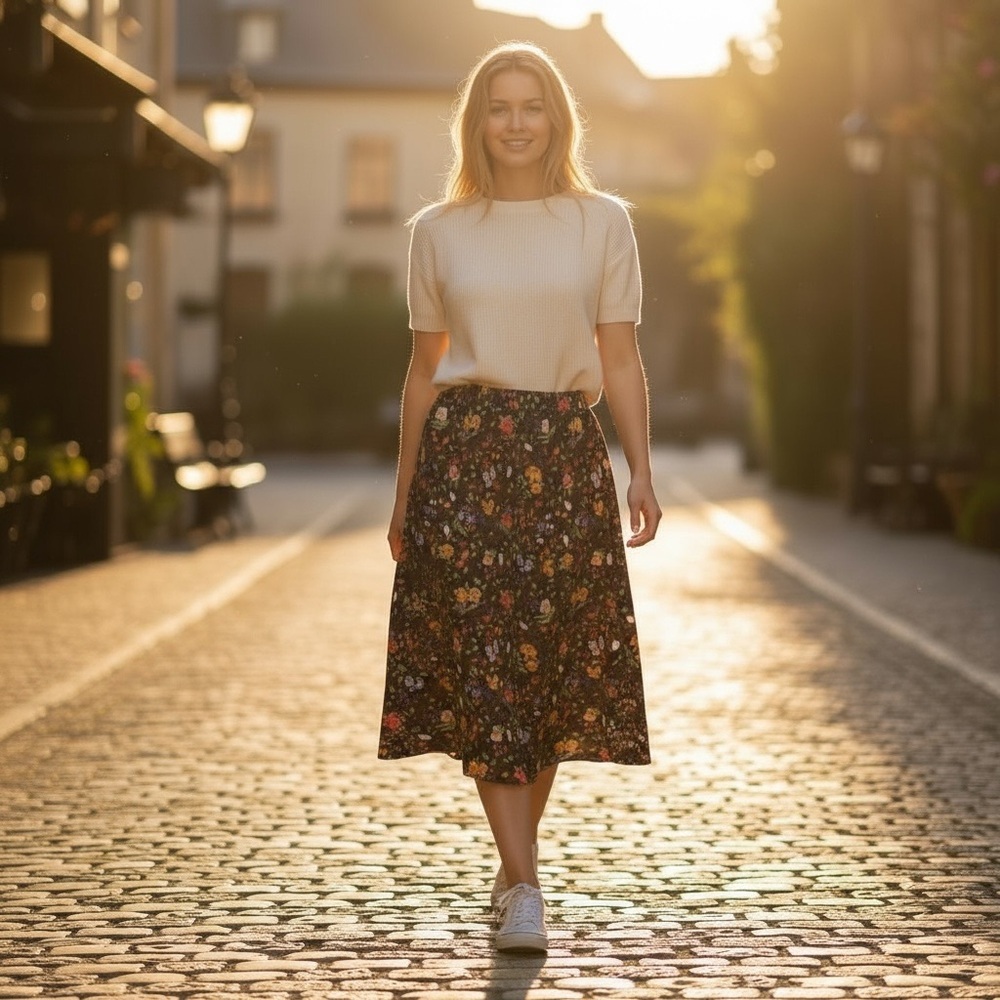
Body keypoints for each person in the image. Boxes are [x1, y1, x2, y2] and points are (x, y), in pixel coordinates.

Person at [378, 41, 661, 954]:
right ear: (476, 121)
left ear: (556, 118)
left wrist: (640, 470)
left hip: (564, 459)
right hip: (464, 464)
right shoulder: (437, 231)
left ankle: (511, 870)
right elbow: (422, 373)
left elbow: (620, 357)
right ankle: (528, 885)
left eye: (530, 105)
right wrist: (404, 493)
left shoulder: (601, 222)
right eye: (498, 106)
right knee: (488, 669)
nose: (515, 122)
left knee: (546, 677)